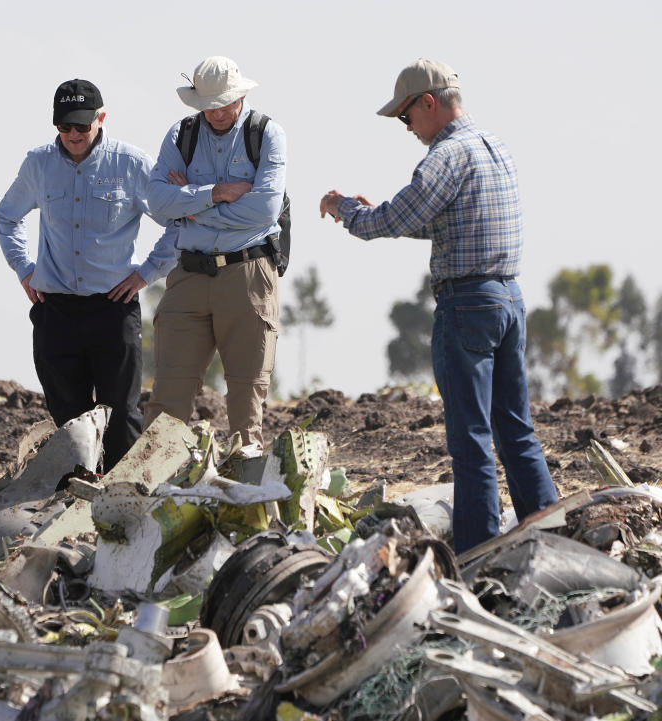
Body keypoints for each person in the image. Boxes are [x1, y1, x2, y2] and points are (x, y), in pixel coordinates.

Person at [319, 58, 558, 553]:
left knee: (470, 439)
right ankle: (550, 535)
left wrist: (347, 208)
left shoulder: (446, 155)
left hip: (467, 305)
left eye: (406, 118)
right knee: (516, 430)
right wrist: (377, 211)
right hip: (508, 300)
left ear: (428, 103)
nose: (407, 129)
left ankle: (477, 553)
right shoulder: (495, 147)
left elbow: (387, 221)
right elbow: (443, 219)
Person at [0, 79, 178, 472]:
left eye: (82, 126)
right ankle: (71, 508)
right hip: (54, 311)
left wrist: (147, 273)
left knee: (120, 420)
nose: (74, 135)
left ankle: (123, 505)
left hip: (113, 310)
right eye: (65, 127)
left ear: (101, 118)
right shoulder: (38, 164)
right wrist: (25, 270)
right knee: (68, 421)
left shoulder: (131, 164)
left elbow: (178, 223)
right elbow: (7, 217)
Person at [143, 56, 286, 448]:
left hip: (248, 275)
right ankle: (149, 495)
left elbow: (264, 210)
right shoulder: (181, 135)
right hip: (188, 276)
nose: (219, 112)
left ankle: (244, 498)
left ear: (241, 95)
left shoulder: (267, 134)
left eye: (226, 103)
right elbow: (157, 203)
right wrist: (219, 193)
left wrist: (190, 203)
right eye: (210, 105)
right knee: (167, 399)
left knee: (245, 399)